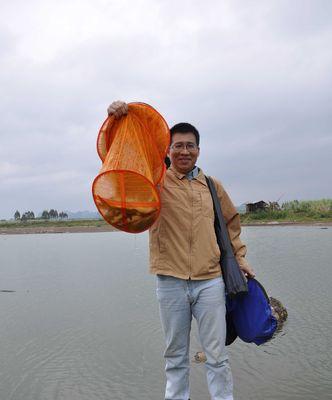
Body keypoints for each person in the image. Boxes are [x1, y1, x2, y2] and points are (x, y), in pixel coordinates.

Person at [107, 101, 255, 400]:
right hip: (170, 281)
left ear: (199, 150)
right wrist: (115, 121)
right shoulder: (154, 179)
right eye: (177, 146)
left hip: (210, 281)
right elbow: (120, 157)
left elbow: (230, 224)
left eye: (190, 146)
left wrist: (240, 258)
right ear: (168, 149)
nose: (184, 152)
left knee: (217, 356)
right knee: (175, 357)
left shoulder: (212, 186)